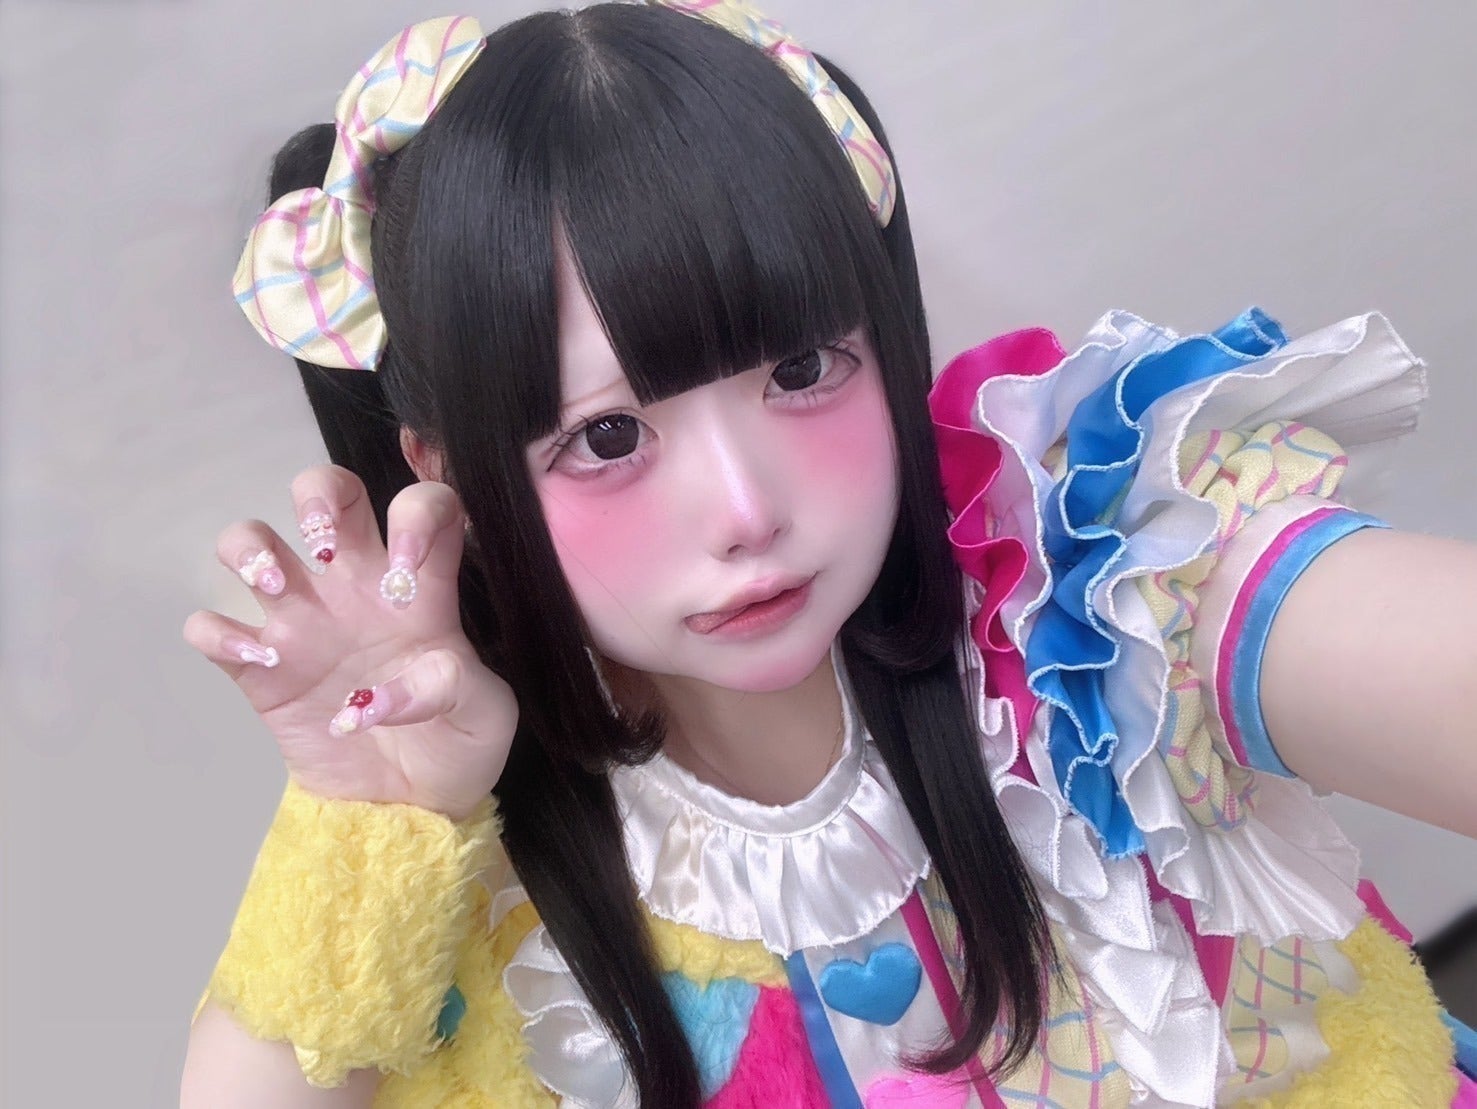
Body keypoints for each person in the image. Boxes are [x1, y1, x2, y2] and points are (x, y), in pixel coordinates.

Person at [178, 3, 1477, 1106]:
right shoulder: (448, 863)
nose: (747, 508)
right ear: (450, 468)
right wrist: (374, 820)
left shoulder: (1092, 596)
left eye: (802, 369)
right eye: (609, 436)